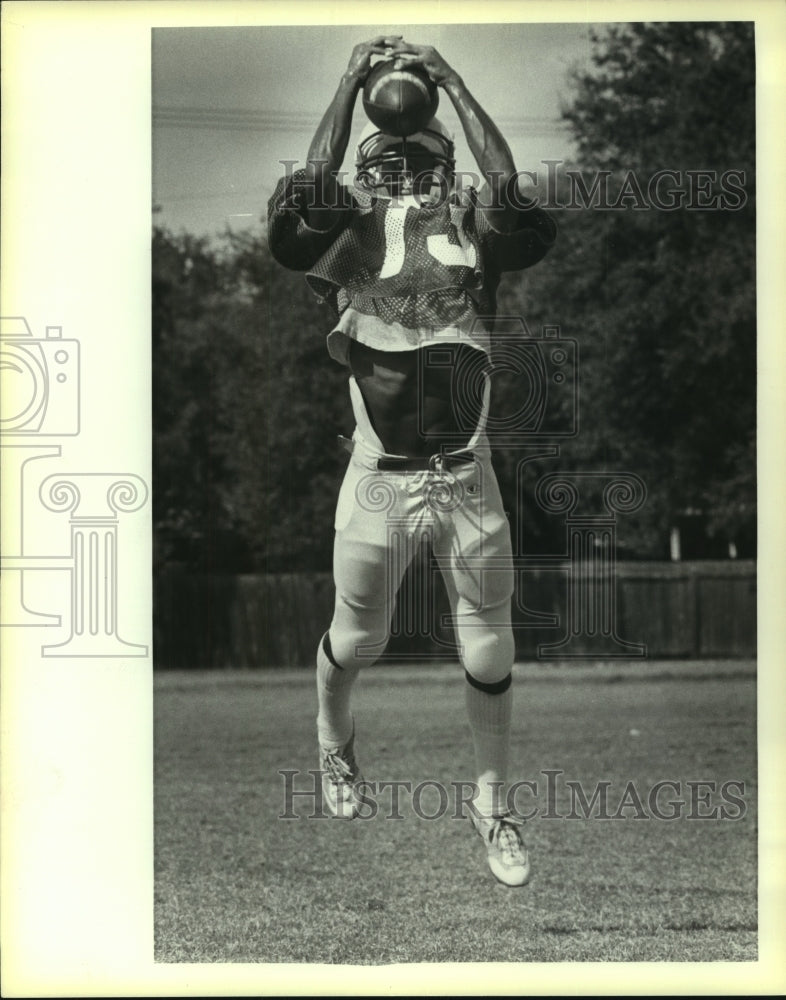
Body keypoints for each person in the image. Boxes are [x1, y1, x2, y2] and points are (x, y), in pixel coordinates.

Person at [267, 37, 556, 886]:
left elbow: (506, 188)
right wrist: (351, 77)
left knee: (491, 655)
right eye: (387, 159)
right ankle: (333, 741)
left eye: (418, 156)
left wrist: (455, 82)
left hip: (466, 473)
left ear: (444, 161)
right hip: (379, 474)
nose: (402, 169)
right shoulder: (346, 234)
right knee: (360, 640)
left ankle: (493, 806)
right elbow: (314, 188)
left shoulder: (471, 224)